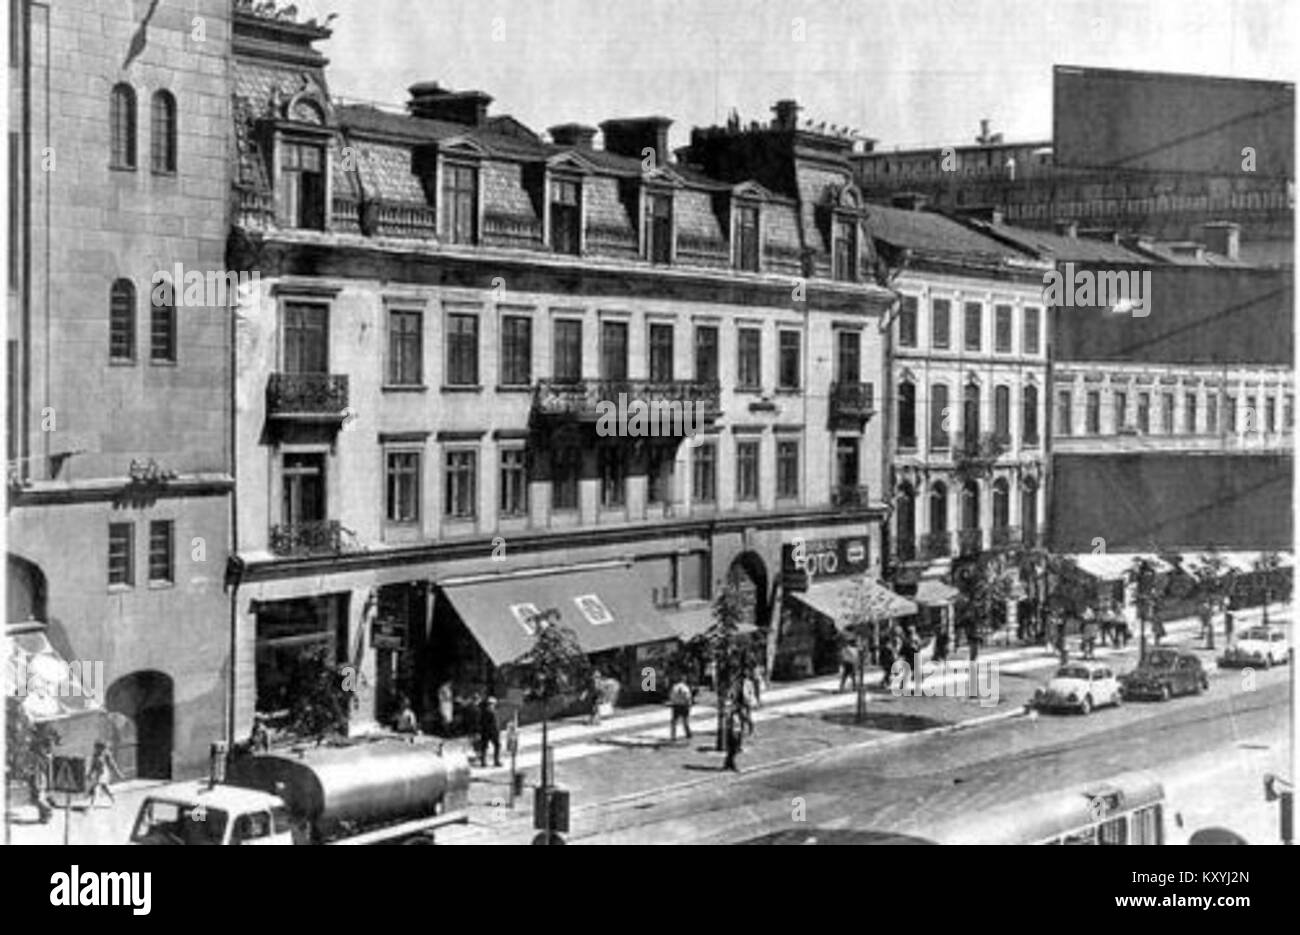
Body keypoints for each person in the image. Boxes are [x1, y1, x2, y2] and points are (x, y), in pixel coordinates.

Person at [88, 741, 123, 808]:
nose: (97, 749)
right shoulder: (95, 755)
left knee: (97, 787)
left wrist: (118, 773)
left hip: (104, 773)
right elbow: (93, 766)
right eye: (96, 748)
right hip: (98, 774)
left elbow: (112, 765)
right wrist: (90, 773)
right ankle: (112, 799)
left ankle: (92, 804)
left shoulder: (106, 755)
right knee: (103, 788)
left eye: (99, 748)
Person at [477, 696, 501, 768]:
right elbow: (494, 724)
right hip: (492, 732)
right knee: (497, 746)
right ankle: (496, 761)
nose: (493, 705)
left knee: (484, 747)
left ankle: (483, 762)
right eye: (493, 704)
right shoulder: (492, 712)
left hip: (484, 732)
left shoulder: (483, 712)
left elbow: (480, 722)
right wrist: (497, 731)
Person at [668, 676, 693, 742]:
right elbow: (688, 697)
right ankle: (688, 733)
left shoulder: (674, 687)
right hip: (684, 705)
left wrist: (673, 702)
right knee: (685, 721)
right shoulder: (685, 687)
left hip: (676, 705)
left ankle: (673, 735)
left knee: (674, 722)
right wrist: (689, 704)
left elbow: (671, 696)